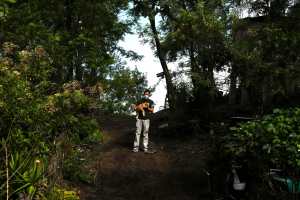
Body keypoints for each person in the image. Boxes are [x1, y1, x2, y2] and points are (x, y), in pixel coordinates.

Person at [133, 89, 155, 153]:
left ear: (149, 95)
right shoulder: (140, 101)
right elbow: (134, 108)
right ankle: (135, 147)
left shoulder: (151, 102)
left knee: (145, 133)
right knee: (138, 132)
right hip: (139, 118)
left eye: (148, 94)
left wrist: (147, 107)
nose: (146, 95)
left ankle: (145, 148)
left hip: (147, 119)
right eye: (145, 94)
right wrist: (140, 107)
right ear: (144, 94)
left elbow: (152, 110)